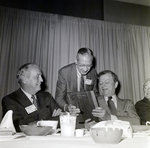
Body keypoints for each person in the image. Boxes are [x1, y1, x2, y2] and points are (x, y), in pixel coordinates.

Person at [2, 63, 62, 132]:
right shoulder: (10, 100)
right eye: (37, 76)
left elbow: (62, 119)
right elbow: (21, 127)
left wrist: (35, 124)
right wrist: (50, 120)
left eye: (41, 76)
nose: (42, 80)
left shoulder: (47, 97)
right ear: (24, 80)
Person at [55, 47, 98, 113]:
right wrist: (67, 107)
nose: (85, 69)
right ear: (76, 61)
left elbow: (95, 94)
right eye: (82, 65)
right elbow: (59, 98)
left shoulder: (93, 73)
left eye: (89, 65)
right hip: (69, 109)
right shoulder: (64, 72)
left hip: (87, 109)